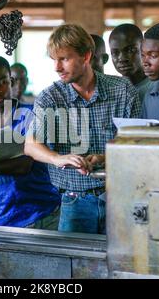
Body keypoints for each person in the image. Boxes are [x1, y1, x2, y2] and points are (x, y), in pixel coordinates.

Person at [24, 24, 141, 234]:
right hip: (74, 201)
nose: (57, 68)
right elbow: (31, 145)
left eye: (64, 59)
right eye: (54, 60)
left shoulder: (122, 91)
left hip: (120, 199)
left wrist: (105, 157)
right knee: (73, 265)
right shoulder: (51, 97)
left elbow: (137, 145)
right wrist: (57, 158)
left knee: (124, 263)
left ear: (86, 56)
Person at [0, 55, 61, 229]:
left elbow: (24, 165)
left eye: (2, 82)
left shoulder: (32, 115)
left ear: (11, 81)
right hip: (1, 213)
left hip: (41, 211)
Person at [109, 24, 151, 101]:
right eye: (115, 52)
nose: (122, 58)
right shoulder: (111, 91)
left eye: (130, 50)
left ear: (143, 49)